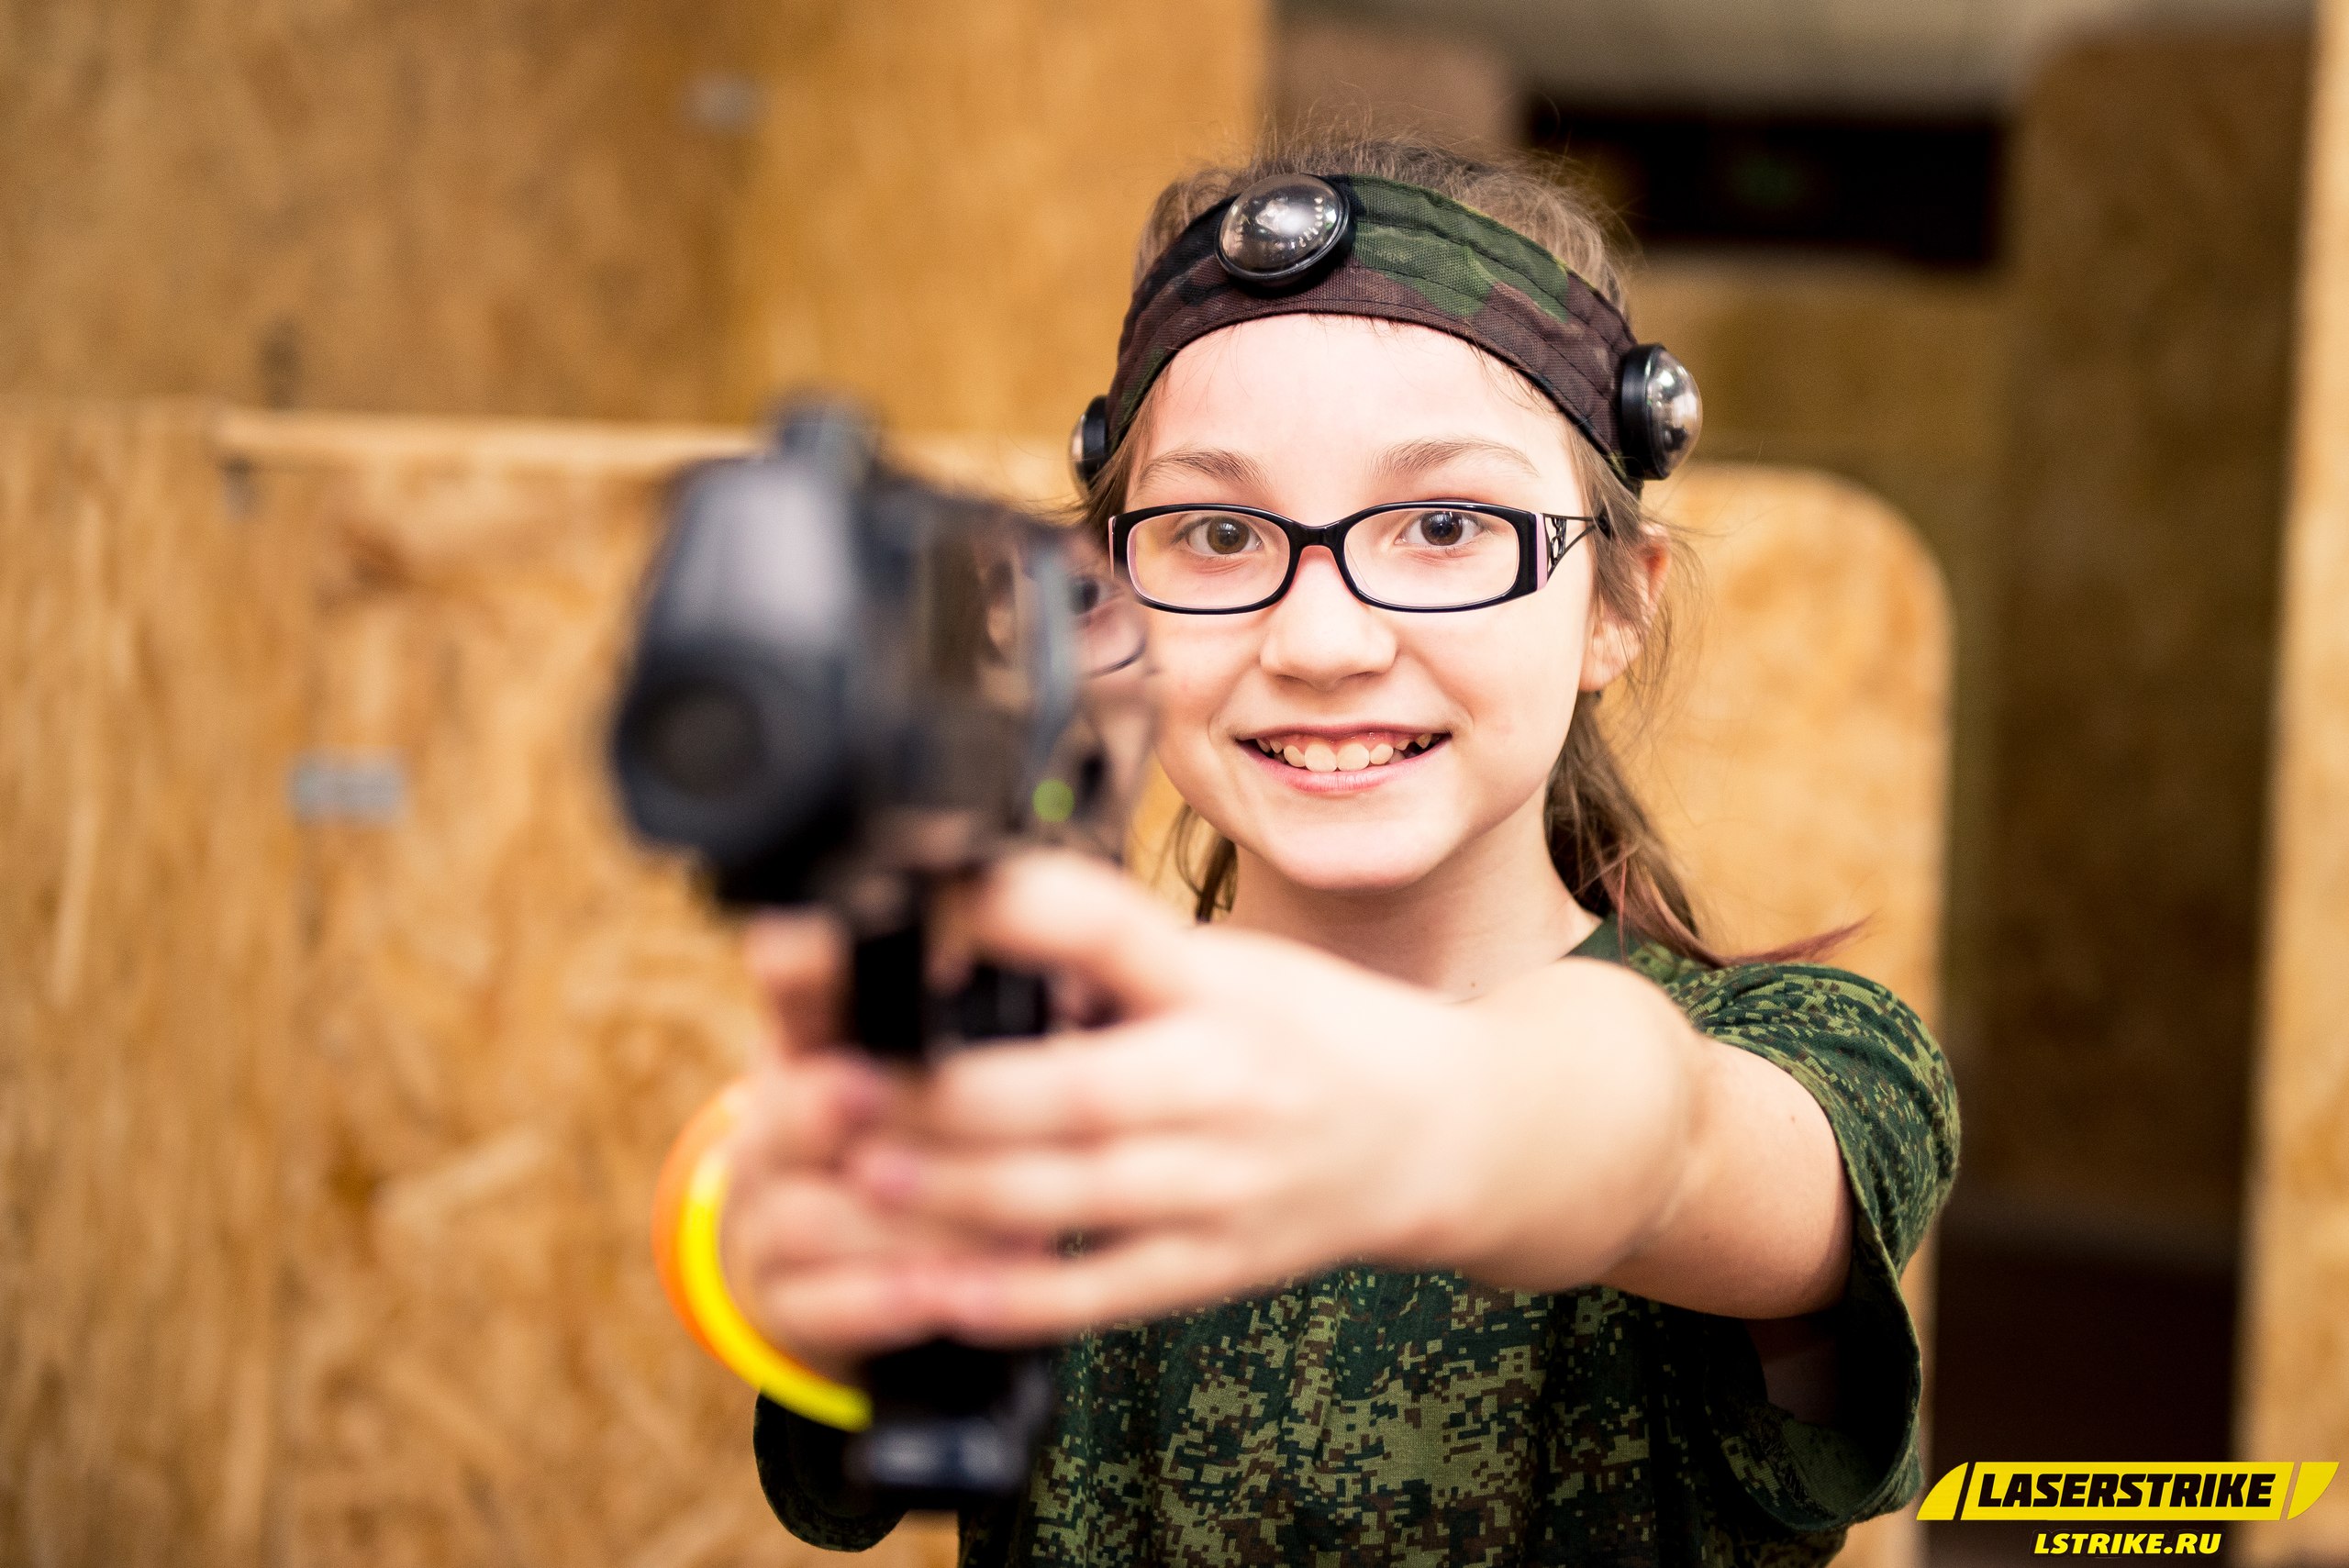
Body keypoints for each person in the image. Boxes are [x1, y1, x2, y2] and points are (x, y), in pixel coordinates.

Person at [719, 139, 1959, 1567]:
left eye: (1445, 525)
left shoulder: (1824, 1058)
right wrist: (816, 1237)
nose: (1319, 640)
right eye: (1216, 532)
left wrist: (1432, 1115)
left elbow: (1665, 1137)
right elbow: (850, 1446)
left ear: (1617, 602)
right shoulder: (1026, 1071)